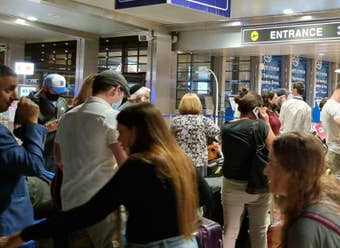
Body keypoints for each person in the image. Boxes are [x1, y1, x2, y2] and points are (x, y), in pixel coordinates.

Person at [0, 103, 212, 248]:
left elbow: (91, 212)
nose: (119, 139)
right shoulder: (177, 159)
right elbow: (204, 194)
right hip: (183, 243)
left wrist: (25, 234)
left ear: (136, 131)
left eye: (121, 132)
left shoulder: (138, 165)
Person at [52, 70, 129, 247]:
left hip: (70, 202)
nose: (120, 100)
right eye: (122, 95)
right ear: (115, 90)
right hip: (102, 205)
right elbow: (124, 162)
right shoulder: (111, 117)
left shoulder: (67, 117)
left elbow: (58, 158)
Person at [221, 88, 275, 248]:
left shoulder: (226, 128)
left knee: (230, 231)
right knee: (258, 230)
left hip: (232, 184)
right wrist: (266, 123)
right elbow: (276, 148)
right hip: (259, 185)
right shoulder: (261, 126)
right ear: (256, 109)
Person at [0, 65, 48, 236]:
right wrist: (32, 123)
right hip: (7, 223)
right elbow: (34, 165)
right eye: (8, 90)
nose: (15, 97)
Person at [27, 73, 69, 173]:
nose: (58, 95)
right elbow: (19, 131)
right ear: (45, 88)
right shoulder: (29, 103)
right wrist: (45, 128)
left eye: (61, 92)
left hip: (58, 153)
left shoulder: (62, 102)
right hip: (39, 153)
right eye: (56, 91)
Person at [171, 93, 220, 176]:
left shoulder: (176, 121)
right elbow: (216, 131)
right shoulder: (204, 120)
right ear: (198, 105)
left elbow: (170, 138)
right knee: (198, 187)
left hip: (181, 161)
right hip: (199, 161)